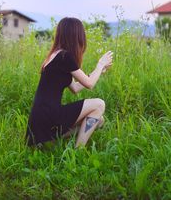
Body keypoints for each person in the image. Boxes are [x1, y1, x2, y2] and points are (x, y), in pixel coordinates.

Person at [25, 17, 113, 149]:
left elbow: (75, 88)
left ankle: (48, 142)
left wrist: (97, 72)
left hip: (41, 121)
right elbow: (89, 84)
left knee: (98, 121)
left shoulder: (56, 55)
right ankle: (78, 151)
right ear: (76, 36)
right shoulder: (65, 57)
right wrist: (100, 65)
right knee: (99, 104)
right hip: (49, 118)